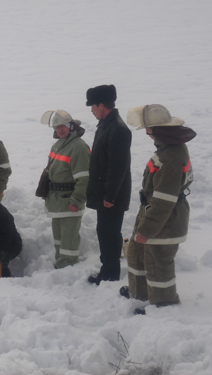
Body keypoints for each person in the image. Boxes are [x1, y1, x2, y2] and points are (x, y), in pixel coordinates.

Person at [120, 104, 195, 314]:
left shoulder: (171, 157)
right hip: (152, 213)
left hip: (165, 222)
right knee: (137, 254)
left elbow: (164, 201)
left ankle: (164, 305)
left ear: (160, 130)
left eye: (149, 129)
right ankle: (140, 294)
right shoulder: (168, 147)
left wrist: (147, 229)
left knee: (158, 264)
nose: (147, 133)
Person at [85, 85, 132, 285]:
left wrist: (110, 197)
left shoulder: (118, 130)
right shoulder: (106, 125)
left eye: (92, 106)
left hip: (111, 196)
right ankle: (108, 268)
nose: (91, 110)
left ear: (101, 105)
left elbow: (118, 167)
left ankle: (111, 273)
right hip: (104, 194)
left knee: (110, 233)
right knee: (105, 232)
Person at [39, 110, 91, 268]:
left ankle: (68, 267)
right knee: (59, 238)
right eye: (56, 127)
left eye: (63, 126)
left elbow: (84, 178)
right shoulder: (58, 145)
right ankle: (61, 265)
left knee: (68, 239)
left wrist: (76, 200)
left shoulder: (79, 147)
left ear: (71, 126)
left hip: (69, 201)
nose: (59, 130)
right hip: (58, 201)